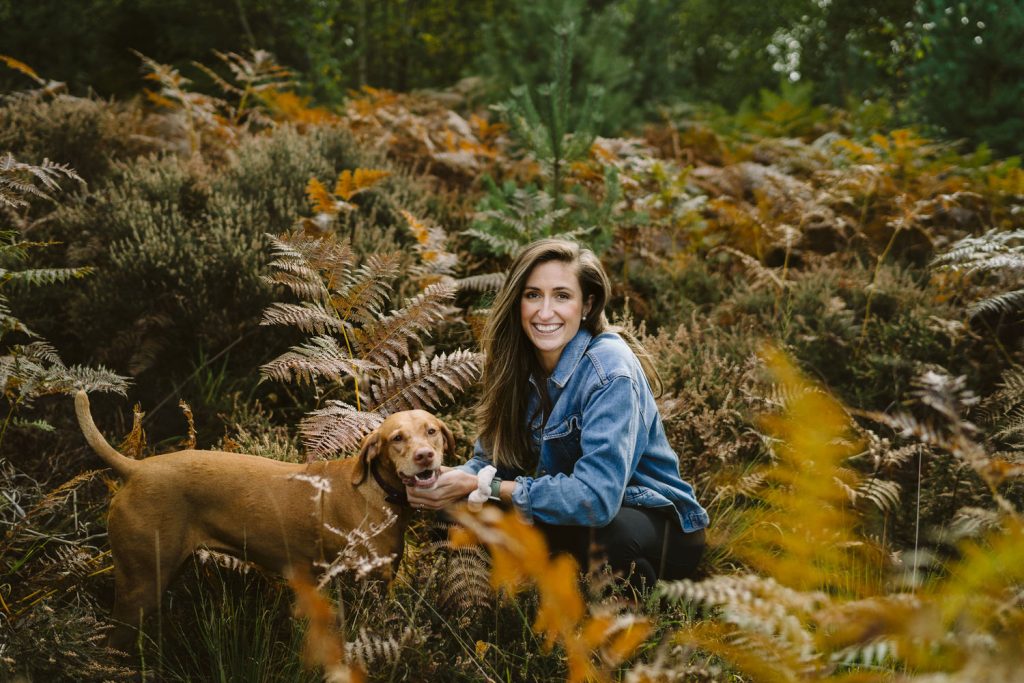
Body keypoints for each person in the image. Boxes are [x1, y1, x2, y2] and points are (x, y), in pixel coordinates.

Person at [407, 238, 708, 592]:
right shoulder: (515, 364)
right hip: (576, 514)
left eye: (562, 296)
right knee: (456, 510)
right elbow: (491, 462)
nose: (544, 312)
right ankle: (534, 584)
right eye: (533, 295)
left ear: (587, 304)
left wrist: (484, 486)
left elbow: (597, 499)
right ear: (517, 301)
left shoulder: (610, 370)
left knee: (608, 537)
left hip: (651, 520)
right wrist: (445, 480)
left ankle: (631, 598)